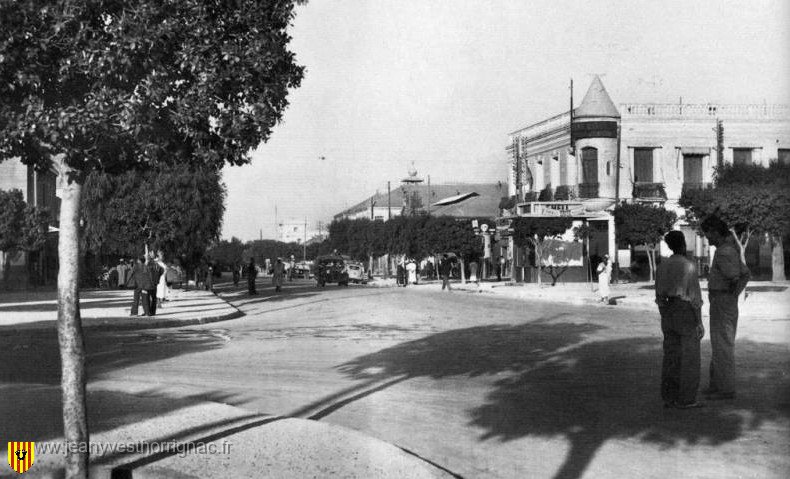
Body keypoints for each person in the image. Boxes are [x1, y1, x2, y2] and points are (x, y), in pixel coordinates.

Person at [701, 215, 750, 400]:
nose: (708, 238)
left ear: (714, 232)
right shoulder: (728, 249)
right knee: (720, 344)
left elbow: (737, 276)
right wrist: (733, 295)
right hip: (723, 300)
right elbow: (745, 274)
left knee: (722, 345)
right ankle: (718, 385)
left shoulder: (724, 251)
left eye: (708, 234)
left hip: (722, 301)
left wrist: (730, 294)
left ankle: (725, 389)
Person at [655, 231, 705, 409]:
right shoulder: (688, 266)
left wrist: (665, 315)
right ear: (683, 244)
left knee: (670, 357)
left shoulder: (662, 266)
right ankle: (687, 398)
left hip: (668, 311)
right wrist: (699, 322)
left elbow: (659, 297)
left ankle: (669, 397)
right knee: (690, 357)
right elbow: (695, 298)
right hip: (685, 312)